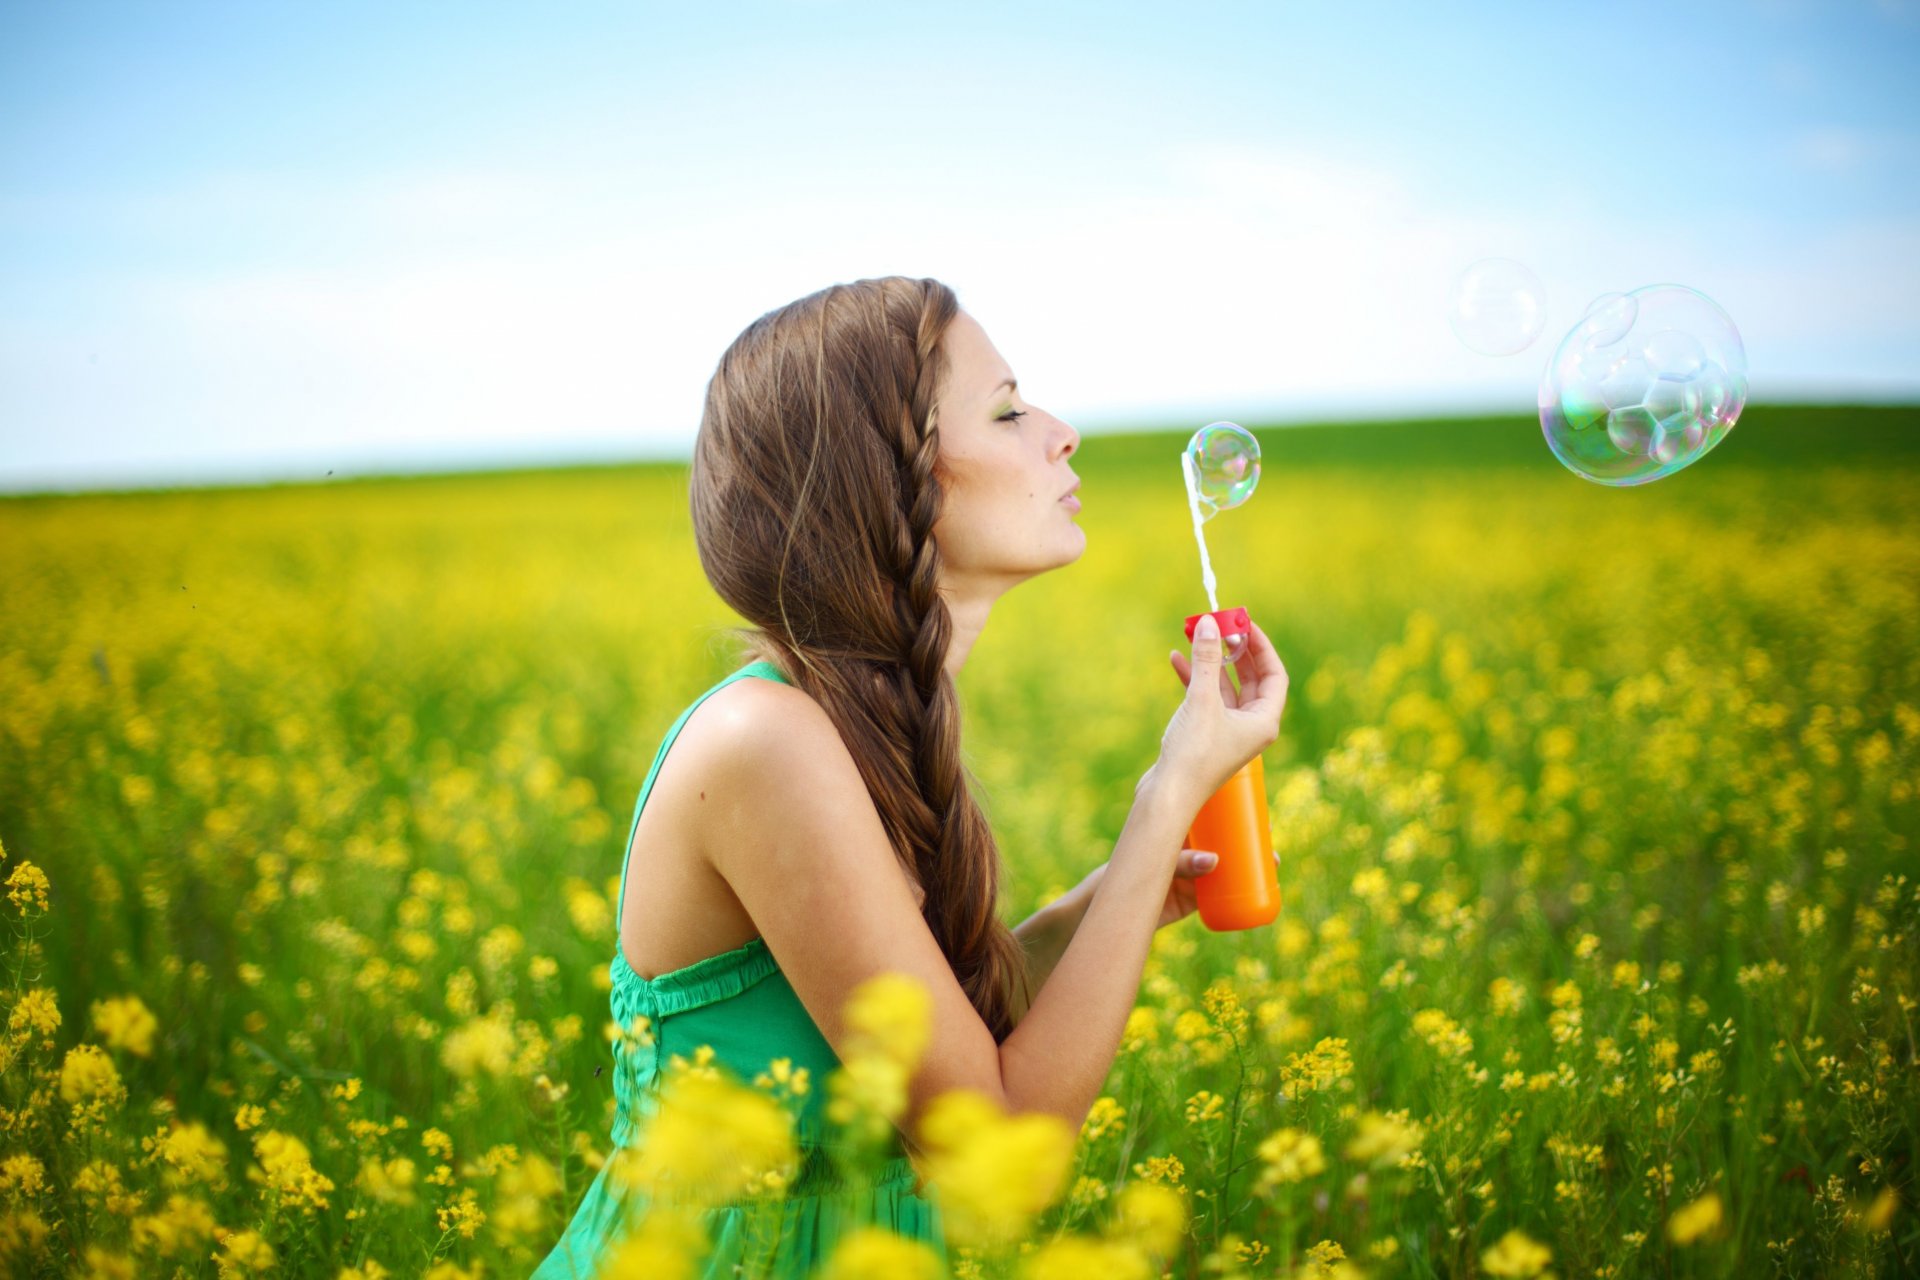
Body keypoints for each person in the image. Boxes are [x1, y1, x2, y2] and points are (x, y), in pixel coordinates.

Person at [534, 275, 1287, 1277]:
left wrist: (1113, 903)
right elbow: (997, 1151)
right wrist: (1165, 800)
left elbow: (943, 1043)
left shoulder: (855, 727)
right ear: (887, 478)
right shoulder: (767, 743)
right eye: (1008, 411)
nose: (1063, 434)